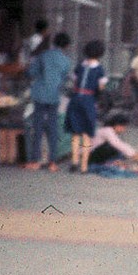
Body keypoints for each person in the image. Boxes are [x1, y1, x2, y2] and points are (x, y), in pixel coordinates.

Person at [24, 32, 72, 172]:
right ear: (67, 45)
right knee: (53, 128)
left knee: (37, 128)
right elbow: (64, 79)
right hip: (54, 96)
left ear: (54, 42)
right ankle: (53, 162)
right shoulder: (66, 60)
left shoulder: (43, 55)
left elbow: (31, 73)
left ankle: (35, 161)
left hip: (39, 95)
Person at [64, 40, 108, 173]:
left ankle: (74, 162)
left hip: (76, 99)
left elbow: (74, 80)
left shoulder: (79, 66)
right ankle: (84, 167)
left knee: (75, 133)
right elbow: (101, 87)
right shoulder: (100, 69)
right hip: (89, 100)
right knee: (87, 133)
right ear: (101, 53)